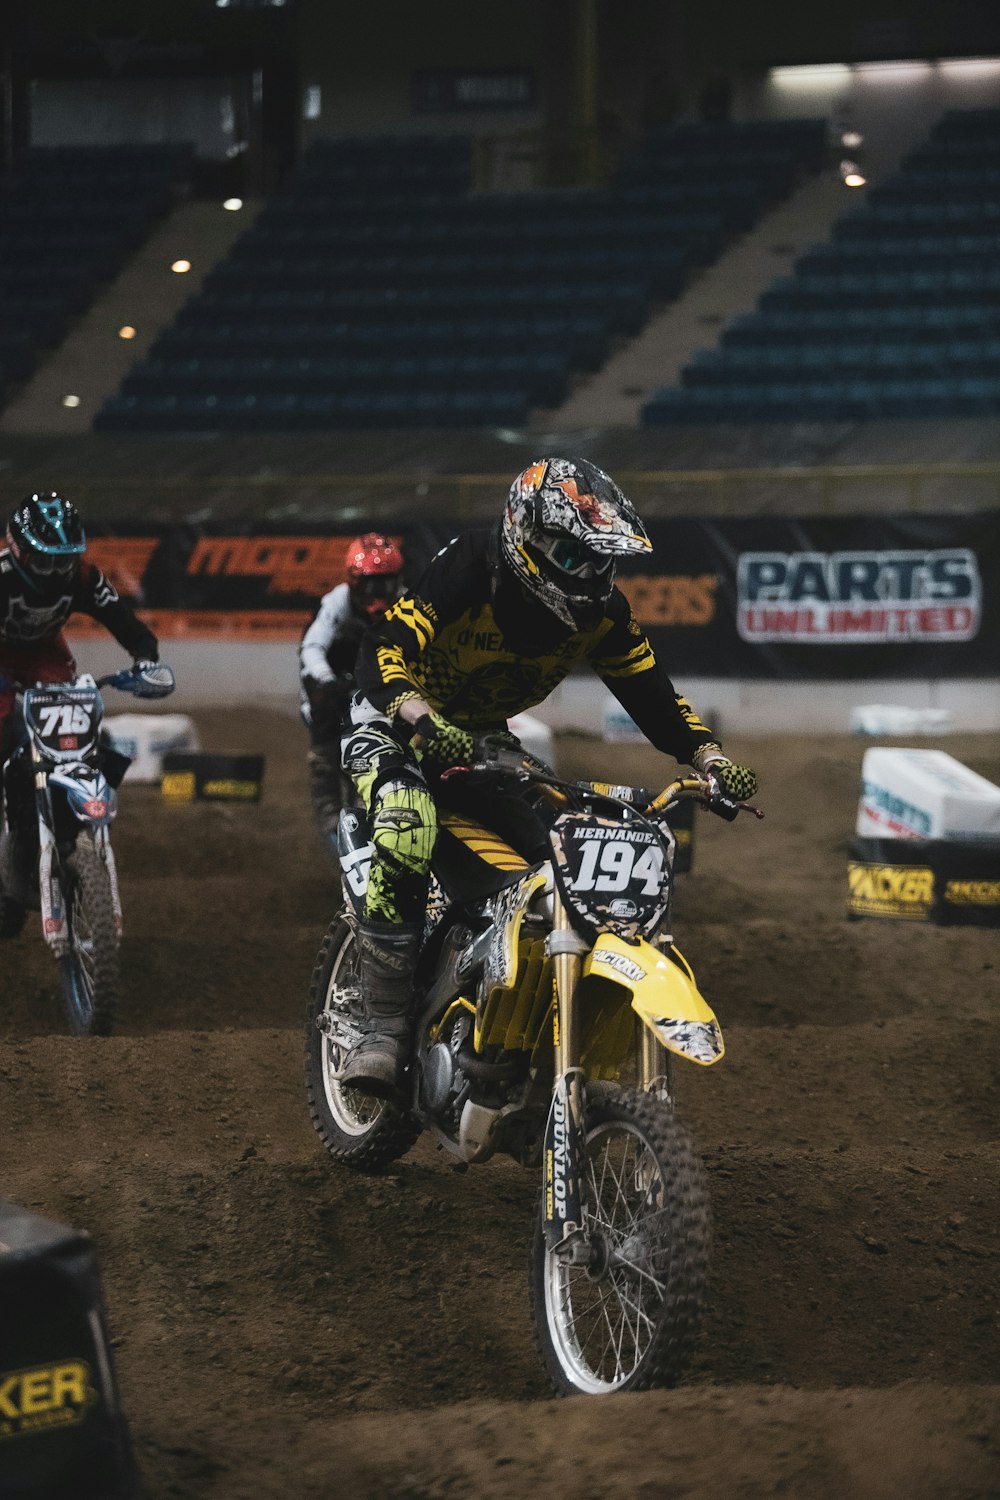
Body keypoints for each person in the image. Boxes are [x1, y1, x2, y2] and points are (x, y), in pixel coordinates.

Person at [339, 457, 758, 1096]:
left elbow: (654, 697)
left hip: (479, 739)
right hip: (393, 720)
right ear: (526, 537)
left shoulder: (604, 615)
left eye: (597, 559)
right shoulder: (471, 568)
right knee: (407, 824)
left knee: (554, 861)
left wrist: (710, 759)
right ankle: (382, 1029)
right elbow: (383, 648)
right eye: (573, 556)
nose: (589, 573)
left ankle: (516, 1023)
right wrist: (420, 720)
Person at [0, 492, 170, 931]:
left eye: (65, 560)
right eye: (46, 561)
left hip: (42, 653)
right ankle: (10, 851)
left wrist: (146, 661)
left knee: (74, 726)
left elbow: (128, 625)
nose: (58, 571)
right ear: (19, 551)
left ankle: (69, 818)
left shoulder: (82, 577)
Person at [298, 531, 404, 842]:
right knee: (324, 725)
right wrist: (329, 683)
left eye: (387, 583)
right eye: (372, 584)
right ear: (355, 582)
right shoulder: (336, 603)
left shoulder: (407, 603)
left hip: (380, 684)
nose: (380, 594)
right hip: (336, 687)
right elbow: (311, 649)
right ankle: (329, 805)